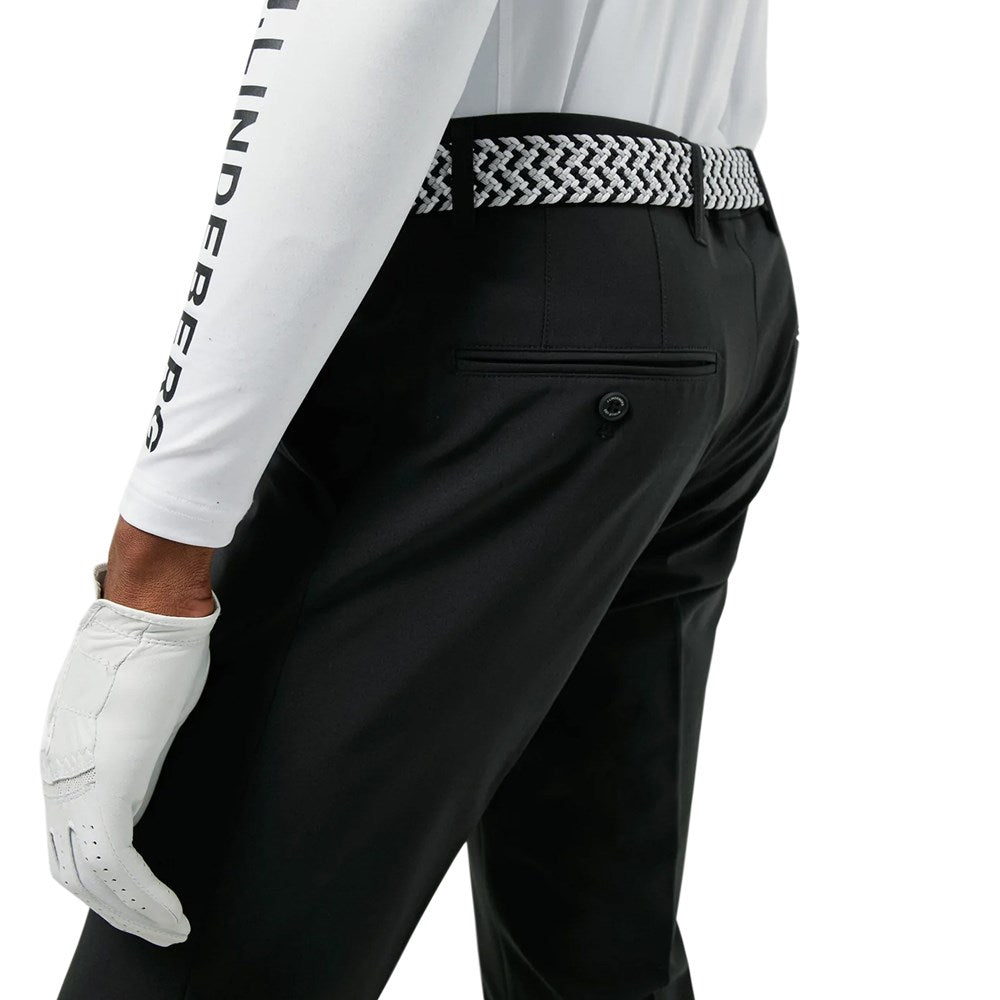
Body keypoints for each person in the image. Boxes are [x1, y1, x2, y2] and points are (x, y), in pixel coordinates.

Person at [40, 1, 799, 997]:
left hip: (513, 311)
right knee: (591, 951)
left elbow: (369, 38)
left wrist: (154, 568)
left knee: (190, 949)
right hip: (711, 286)